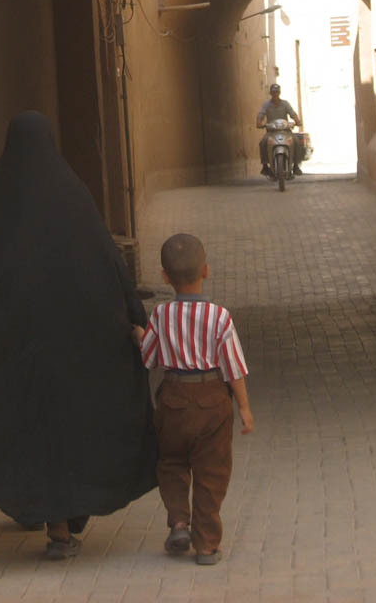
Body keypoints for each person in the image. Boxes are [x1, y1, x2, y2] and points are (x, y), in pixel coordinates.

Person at [0, 110, 157, 560]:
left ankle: (45, 514)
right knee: (69, 426)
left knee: (23, 426)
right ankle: (62, 520)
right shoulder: (75, 200)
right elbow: (110, 266)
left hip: (14, 354)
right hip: (75, 352)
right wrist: (136, 319)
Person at [133, 233, 253, 565]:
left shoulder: (160, 315)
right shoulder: (220, 317)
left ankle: (179, 523)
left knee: (171, 463)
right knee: (212, 471)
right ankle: (207, 545)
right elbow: (233, 368)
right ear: (206, 271)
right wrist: (244, 407)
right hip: (212, 399)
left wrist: (139, 335)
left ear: (165, 277)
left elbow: (149, 359)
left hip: (172, 399)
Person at [256, 83, 302, 175]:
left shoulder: (285, 104)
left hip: (286, 131)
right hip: (271, 132)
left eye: (277, 92)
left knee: (296, 141)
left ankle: (296, 165)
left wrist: (297, 121)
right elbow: (261, 114)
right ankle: (265, 166)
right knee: (263, 142)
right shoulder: (266, 105)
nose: (275, 94)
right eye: (273, 92)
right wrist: (259, 122)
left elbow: (292, 113)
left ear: (279, 93)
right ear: (270, 93)